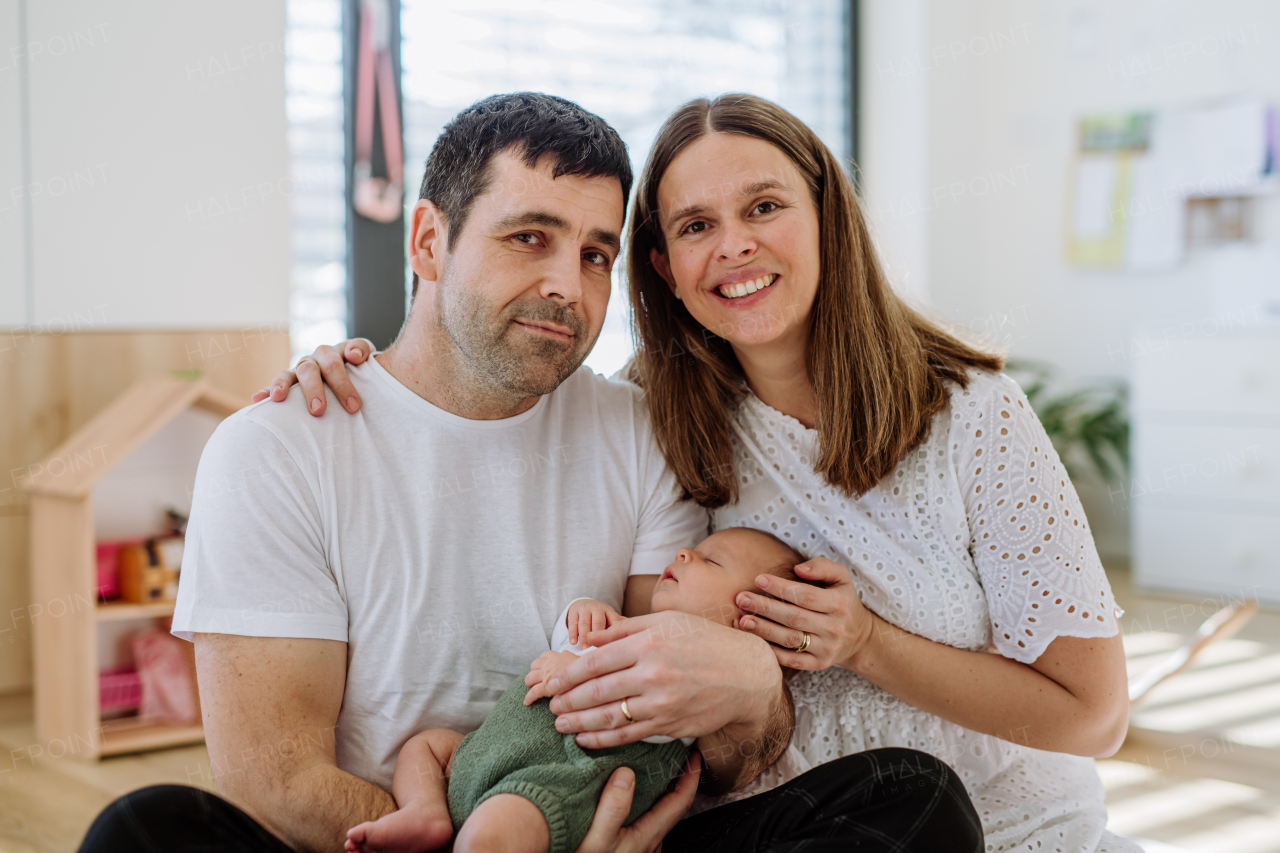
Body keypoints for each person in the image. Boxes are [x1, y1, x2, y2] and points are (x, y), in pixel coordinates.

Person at [78, 92, 984, 853]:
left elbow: (697, 731)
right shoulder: (279, 446)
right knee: (145, 830)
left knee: (915, 797)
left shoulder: (639, 429)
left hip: (606, 829)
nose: (568, 284)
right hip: (397, 838)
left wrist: (748, 693)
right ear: (428, 240)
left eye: (595, 254)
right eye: (528, 238)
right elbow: (278, 780)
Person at [278, 92, 1140, 852]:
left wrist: (869, 643)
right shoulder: (658, 407)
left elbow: (1093, 717)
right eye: (695, 226)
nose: (734, 246)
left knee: (918, 803)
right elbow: (484, 386)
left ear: (827, 219)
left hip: (971, 826)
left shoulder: (973, 417)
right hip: (770, 822)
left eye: (764, 206)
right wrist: (358, 372)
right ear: (666, 271)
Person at [345, 528, 804, 853]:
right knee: (423, 747)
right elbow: (567, 641)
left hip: (551, 786)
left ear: (749, 626)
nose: (685, 552)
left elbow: (651, 718)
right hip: (477, 753)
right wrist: (581, 613)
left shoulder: (696, 689)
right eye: (696, 548)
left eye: (712, 559)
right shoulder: (621, 626)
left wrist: (572, 668)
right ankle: (426, 812)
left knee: (491, 837)